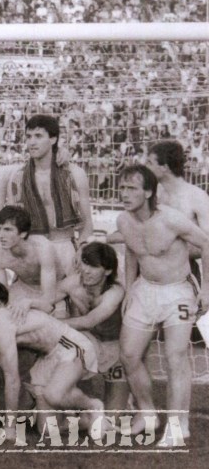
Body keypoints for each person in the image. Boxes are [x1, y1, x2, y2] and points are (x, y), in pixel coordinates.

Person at [116, 165, 209, 444]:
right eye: (121, 187)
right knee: (129, 354)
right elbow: (132, 250)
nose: (124, 193)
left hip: (177, 291)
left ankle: (178, 425)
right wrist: (130, 286)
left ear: (148, 192)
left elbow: (207, 243)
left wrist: (207, 289)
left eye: (131, 188)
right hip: (145, 290)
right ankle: (147, 413)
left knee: (175, 357)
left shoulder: (171, 220)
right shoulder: (123, 220)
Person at [0, 284, 104, 441]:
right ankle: (86, 420)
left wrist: (10, 428)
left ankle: (93, 406)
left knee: (54, 395)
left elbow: (12, 380)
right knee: (49, 430)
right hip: (47, 357)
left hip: (69, 345)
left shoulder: (0, 324)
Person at [7, 115, 93, 276]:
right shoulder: (17, 177)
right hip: (33, 248)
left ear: (53, 139)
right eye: (28, 136)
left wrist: (81, 250)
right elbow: (13, 225)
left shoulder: (74, 174)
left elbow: (88, 224)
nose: (31, 142)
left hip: (65, 246)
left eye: (38, 136)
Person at [58, 242, 129, 410]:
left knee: (112, 421)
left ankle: (129, 397)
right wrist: (28, 303)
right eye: (85, 263)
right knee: (83, 416)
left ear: (108, 270)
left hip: (116, 348)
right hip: (89, 345)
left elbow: (89, 321)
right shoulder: (73, 283)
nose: (86, 270)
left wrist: (54, 324)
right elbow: (46, 301)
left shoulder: (115, 292)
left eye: (93, 266)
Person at [145, 140, 209, 281]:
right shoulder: (153, 195)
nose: (145, 167)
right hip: (150, 271)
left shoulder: (196, 197)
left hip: (184, 273)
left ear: (165, 167)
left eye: (149, 163)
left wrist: (171, 250)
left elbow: (207, 243)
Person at [0, 206, 63, 316]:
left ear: (23, 233)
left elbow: (49, 297)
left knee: (53, 321)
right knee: (5, 315)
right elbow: (2, 295)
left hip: (57, 288)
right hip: (24, 287)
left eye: (8, 230)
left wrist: (30, 303)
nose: (0, 235)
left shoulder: (43, 248)